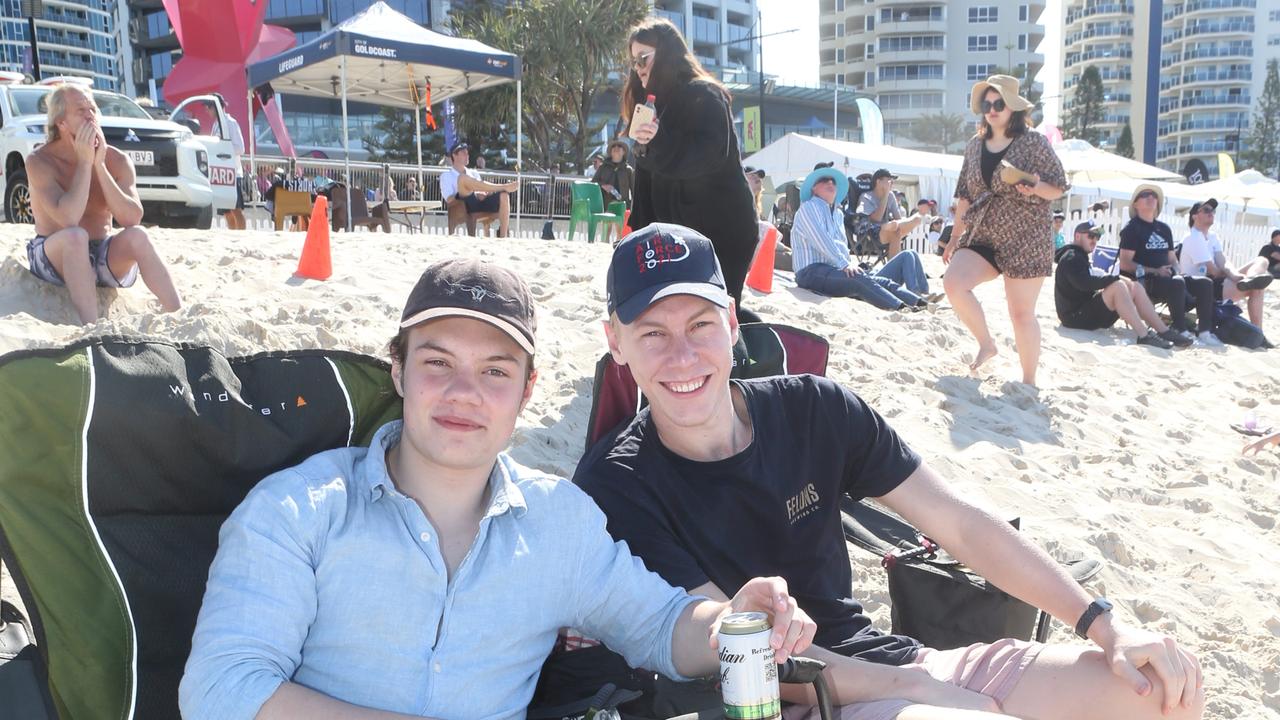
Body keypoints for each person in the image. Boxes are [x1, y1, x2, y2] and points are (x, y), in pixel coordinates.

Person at [577, 225, 1205, 720]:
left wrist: (1105, 626)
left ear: (733, 323)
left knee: (1161, 691)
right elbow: (744, 654)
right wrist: (920, 689)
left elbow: (959, 523)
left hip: (898, 661)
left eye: (700, 325)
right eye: (651, 333)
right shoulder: (615, 485)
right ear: (615, 341)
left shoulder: (814, 408)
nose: (681, 355)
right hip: (806, 698)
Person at [180, 257, 816, 720]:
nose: (465, 394)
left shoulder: (558, 522)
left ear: (527, 391)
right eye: (438, 364)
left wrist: (733, 617)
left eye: (494, 371)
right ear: (398, 370)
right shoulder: (298, 509)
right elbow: (221, 690)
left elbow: (658, 626)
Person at [622, 17, 758, 313]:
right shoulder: (653, 105)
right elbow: (647, 181)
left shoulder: (705, 94)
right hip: (680, 234)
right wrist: (638, 235)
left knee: (715, 314)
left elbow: (708, 156)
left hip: (721, 230)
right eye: (634, 62)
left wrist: (658, 139)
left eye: (644, 58)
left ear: (668, 54)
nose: (639, 68)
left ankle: (742, 357)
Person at [943, 75, 1067, 386]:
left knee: (1021, 313)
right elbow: (965, 195)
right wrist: (955, 237)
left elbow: (1058, 188)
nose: (992, 109)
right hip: (984, 230)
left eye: (999, 103)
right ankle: (987, 343)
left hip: (1027, 234)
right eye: (986, 104)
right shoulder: (974, 146)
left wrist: (1035, 185)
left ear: (1013, 107)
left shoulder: (1034, 142)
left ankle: (1028, 381)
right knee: (953, 284)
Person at [25, 84, 181, 324]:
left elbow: (131, 218)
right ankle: (93, 327)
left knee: (139, 235)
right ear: (61, 123)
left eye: (93, 109)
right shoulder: (40, 161)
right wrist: (85, 165)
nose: (90, 115)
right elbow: (68, 219)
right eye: (80, 110)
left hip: (102, 254)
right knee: (75, 236)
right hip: (55, 256)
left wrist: (100, 165)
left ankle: (178, 314)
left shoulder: (117, 159)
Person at [791, 166, 936, 311]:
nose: (830, 183)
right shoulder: (808, 207)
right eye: (824, 180)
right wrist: (845, 265)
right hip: (810, 271)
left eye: (833, 182)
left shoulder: (837, 213)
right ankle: (901, 307)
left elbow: (841, 245)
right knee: (859, 278)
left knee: (881, 280)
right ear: (813, 189)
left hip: (833, 269)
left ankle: (921, 303)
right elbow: (821, 240)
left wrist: (847, 265)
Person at [1054, 222, 1189, 348]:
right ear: (1077, 236)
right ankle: (1143, 335)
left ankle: (1163, 330)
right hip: (1074, 318)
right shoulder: (1071, 256)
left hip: (1085, 313)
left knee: (1133, 286)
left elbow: (1089, 280)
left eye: (1097, 237)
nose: (1094, 240)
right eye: (1090, 236)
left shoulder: (1079, 256)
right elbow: (1084, 284)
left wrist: (1118, 279)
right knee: (1117, 285)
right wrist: (1113, 279)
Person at [1117, 185, 1221, 346]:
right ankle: (1179, 328)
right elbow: (1125, 263)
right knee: (1177, 283)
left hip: (1170, 277)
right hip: (1146, 280)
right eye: (1145, 195)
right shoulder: (1132, 229)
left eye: (1154, 195)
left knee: (1205, 283)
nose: (1151, 197)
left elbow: (1172, 258)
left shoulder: (1164, 229)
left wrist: (1177, 270)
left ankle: (1205, 332)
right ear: (1136, 204)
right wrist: (1155, 270)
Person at [1178, 197, 1272, 329]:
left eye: (1213, 210)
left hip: (1218, 281)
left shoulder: (1212, 236)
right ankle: (1258, 331)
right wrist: (1232, 275)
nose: (1211, 212)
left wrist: (1234, 275)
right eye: (1206, 210)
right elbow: (1213, 271)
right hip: (1204, 288)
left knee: (1262, 260)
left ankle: (1251, 279)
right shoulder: (1193, 237)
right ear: (1194, 216)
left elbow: (1223, 260)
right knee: (1257, 289)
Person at [440, 142, 519, 238]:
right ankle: (502, 186)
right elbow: (449, 199)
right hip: (463, 203)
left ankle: (503, 237)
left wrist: (485, 193)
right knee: (462, 179)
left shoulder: (473, 172)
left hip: (480, 202)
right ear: (454, 155)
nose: (467, 155)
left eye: (467, 153)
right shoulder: (446, 175)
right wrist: (467, 189)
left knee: (504, 195)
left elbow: (481, 187)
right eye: (464, 153)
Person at [854, 169, 928, 259]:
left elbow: (898, 218)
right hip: (868, 233)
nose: (892, 182)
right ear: (878, 181)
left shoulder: (891, 195)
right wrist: (885, 195)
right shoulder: (866, 197)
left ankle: (890, 226)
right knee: (895, 230)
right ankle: (894, 269)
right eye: (889, 179)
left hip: (888, 230)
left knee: (901, 227)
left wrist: (896, 224)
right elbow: (875, 219)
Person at [209, 93, 247, 231]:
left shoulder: (230, 122)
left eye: (209, 108)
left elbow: (240, 148)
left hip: (233, 172)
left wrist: (223, 152)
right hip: (221, 173)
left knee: (236, 209)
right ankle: (233, 236)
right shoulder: (216, 124)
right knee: (226, 211)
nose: (208, 111)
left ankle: (241, 236)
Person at [593, 139, 634, 209]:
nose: (616, 147)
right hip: (605, 206)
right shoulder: (602, 167)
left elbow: (634, 191)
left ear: (624, 152)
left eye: (619, 146)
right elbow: (593, 183)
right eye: (613, 146)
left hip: (623, 206)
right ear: (611, 152)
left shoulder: (628, 170)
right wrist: (603, 185)